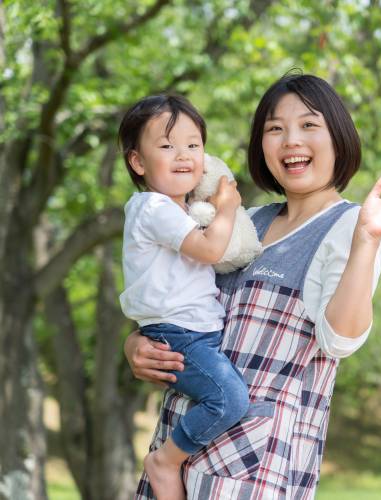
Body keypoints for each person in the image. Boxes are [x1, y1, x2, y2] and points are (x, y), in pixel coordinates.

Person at [125, 73, 381, 499]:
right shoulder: (243, 221)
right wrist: (136, 344)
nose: (291, 140)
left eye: (309, 125)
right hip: (176, 455)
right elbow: (177, 301)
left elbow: (341, 338)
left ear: (339, 138)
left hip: (254, 470)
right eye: (275, 128)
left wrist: (367, 240)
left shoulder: (349, 226)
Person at [118, 94, 251, 500]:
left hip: (191, 332)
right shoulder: (152, 207)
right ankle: (167, 460)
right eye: (167, 145)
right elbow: (210, 250)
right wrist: (227, 209)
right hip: (180, 335)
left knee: (223, 397)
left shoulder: (182, 211)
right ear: (138, 162)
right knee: (229, 399)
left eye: (193, 145)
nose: (183, 155)